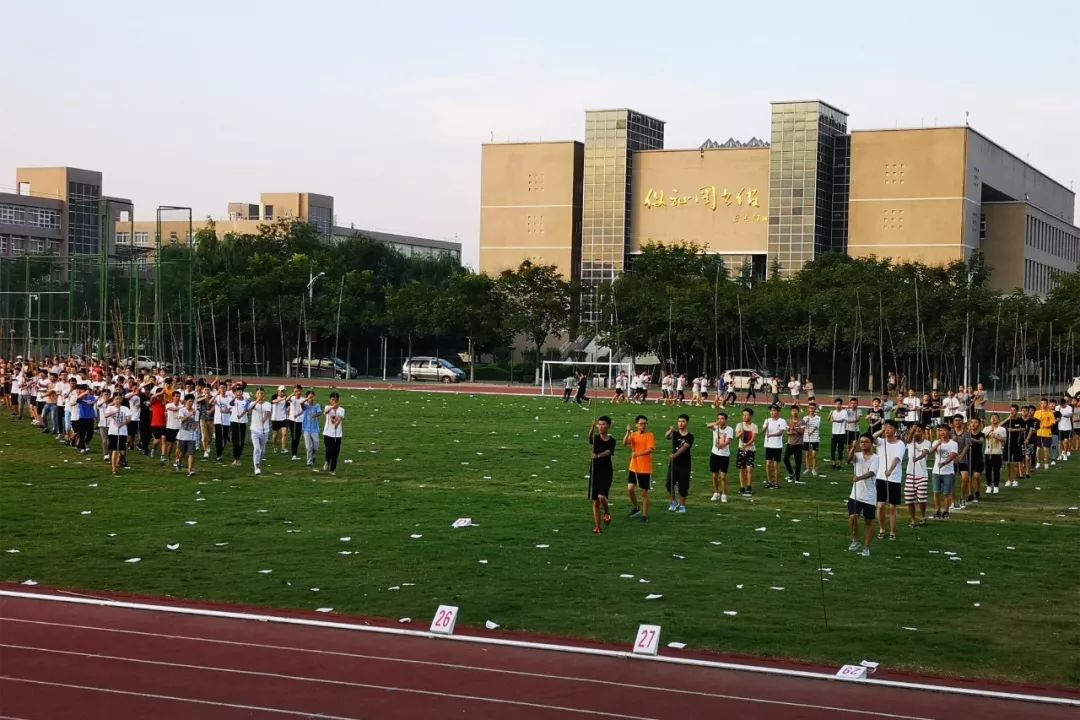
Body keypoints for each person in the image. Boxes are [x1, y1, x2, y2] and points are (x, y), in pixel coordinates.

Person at [847, 434, 879, 557]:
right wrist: (853, 448)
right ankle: (855, 540)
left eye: (866, 442)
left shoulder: (875, 458)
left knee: (868, 522)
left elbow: (871, 472)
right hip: (855, 494)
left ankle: (866, 547)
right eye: (861, 442)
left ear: (871, 443)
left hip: (869, 496)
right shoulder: (858, 456)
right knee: (852, 517)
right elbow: (849, 459)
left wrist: (859, 477)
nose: (863, 444)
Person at [873, 420, 906, 540]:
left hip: (894, 478)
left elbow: (897, 458)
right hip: (880, 477)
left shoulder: (900, 444)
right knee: (880, 505)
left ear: (895, 430)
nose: (887, 430)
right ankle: (882, 528)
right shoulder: (881, 442)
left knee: (892, 506)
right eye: (886, 428)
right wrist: (881, 430)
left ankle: (892, 531)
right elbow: (871, 438)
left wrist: (890, 470)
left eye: (890, 428)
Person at [623, 415, 655, 523]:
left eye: (645, 423)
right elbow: (625, 443)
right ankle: (636, 507)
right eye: (641, 424)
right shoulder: (633, 434)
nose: (643, 425)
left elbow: (650, 449)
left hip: (645, 468)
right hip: (634, 467)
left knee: (644, 493)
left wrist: (638, 454)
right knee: (630, 489)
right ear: (636, 425)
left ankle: (645, 515)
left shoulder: (649, 435)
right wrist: (627, 432)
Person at [587, 416, 616, 534]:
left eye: (603, 424)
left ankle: (607, 512)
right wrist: (592, 427)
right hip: (595, 471)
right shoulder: (596, 438)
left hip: (606, 472)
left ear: (608, 426)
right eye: (599, 424)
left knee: (601, 496)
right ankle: (597, 526)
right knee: (595, 501)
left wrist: (598, 456)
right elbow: (590, 439)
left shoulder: (611, 440)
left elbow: (609, 452)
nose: (601, 427)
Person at [664, 414, 694, 513]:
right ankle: (673, 501)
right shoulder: (675, 434)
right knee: (669, 484)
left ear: (687, 423)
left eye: (683, 421)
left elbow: (685, 447)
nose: (680, 423)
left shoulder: (690, 436)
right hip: (674, 464)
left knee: (683, 486)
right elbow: (667, 437)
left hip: (684, 464)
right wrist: (670, 431)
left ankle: (682, 505)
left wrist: (675, 455)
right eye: (679, 421)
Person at [904, 424, 931, 526]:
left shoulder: (927, 443)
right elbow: (908, 440)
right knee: (909, 499)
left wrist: (918, 458)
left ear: (923, 433)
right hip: (910, 473)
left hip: (922, 474)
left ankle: (923, 516)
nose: (916, 433)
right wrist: (912, 431)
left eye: (919, 431)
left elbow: (925, 453)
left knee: (921, 498)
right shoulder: (910, 443)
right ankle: (912, 519)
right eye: (915, 431)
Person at [930, 426, 959, 519]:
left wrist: (944, 463)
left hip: (948, 472)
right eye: (940, 430)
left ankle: (946, 511)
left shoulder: (953, 444)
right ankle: (938, 510)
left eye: (944, 430)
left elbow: (953, 455)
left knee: (947, 493)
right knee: (936, 492)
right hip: (936, 472)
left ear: (949, 432)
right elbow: (930, 452)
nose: (942, 432)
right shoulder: (936, 442)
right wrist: (937, 444)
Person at [707, 412, 733, 502]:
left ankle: (724, 494)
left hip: (724, 455)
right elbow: (708, 426)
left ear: (726, 420)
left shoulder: (729, 429)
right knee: (714, 476)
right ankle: (716, 493)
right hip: (715, 454)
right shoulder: (715, 427)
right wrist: (716, 423)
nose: (720, 420)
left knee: (723, 476)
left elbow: (729, 441)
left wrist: (722, 445)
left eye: (722, 418)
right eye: (719, 418)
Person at [103, 392, 130, 476]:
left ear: (121, 400)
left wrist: (122, 424)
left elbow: (129, 419)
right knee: (114, 450)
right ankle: (114, 468)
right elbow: (106, 415)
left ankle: (119, 462)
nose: (118, 400)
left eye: (119, 399)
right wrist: (114, 412)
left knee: (122, 451)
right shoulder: (110, 408)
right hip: (113, 431)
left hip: (122, 431)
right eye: (116, 399)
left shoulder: (125, 408)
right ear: (113, 400)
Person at [762, 404, 787, 490]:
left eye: (774, 410)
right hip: (768, 445)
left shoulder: (782, 421)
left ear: (778, 412)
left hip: (777, 446)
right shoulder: (767, 420)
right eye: (771, 411)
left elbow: (781, 432)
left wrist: (771, 435)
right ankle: (769, 481)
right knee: (768, 464)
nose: (772, 412)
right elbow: (763, 431)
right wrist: (766, 426)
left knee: (776, 465)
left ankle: (776, 482)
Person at [249, 387, 273, 476]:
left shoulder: (267, 404)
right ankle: (257, 467)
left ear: (264, 395)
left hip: (264, 431)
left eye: (262, 393)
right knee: (257, 449)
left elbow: (267, 412)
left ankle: (258, 462)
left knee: (262, 450)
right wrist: (257, 401)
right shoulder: (253, 403)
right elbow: (250, 409)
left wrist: (264, 418)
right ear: (256, 395)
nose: (260, 395)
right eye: (258, 393)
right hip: (254, 430)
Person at [735, 408, 758, 496]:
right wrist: (741, 433)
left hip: (750, 450)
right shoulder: (739, 425)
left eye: (746, 415)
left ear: (751, 416)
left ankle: (749, 486)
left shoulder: (754, 426)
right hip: (741, 449)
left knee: (750, 469)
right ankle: (742, 487)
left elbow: (753, 438)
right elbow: (737, 436)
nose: (744, 416)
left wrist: (746, 444)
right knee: (742, 469)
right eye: (743, 415)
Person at [951, 414, 971, 511]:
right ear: (953, 422)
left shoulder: (966, 433)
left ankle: (962, 497)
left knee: (965, 478)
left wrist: (961, 456)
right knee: (951, 480)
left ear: (962, 422)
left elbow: (967, 446)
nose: (957, 422)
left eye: (959, 420)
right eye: (956, 420)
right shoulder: (950, 432)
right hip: (952, 459)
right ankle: (953, 500)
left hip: (963, 459)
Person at [322, 391, 345, 476]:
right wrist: (332, 407)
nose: (334, 401)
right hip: (327, 433)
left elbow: (340, 418)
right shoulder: (327, 407)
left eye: (336, 400)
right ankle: (327, 461)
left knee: (336, 452)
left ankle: (332, 469)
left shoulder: (341, 409)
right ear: (330, 400)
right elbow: (325, 412)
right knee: (329, 450)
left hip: (338, 434)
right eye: (333, 400)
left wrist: (336, 424)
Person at [175, 393, 198, 477]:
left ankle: (190, 470)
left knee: (191, 454)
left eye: (192, 401)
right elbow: (182, 419)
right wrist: (190, 415)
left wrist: (195, 426)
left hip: (192, 436)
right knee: (182, 453)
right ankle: (179, 462)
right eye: (189, 401)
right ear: (185, 401)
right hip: (182, 435)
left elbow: (196, 424)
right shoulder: (182, 410)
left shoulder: (196, 412)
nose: (191, 403)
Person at [984, 413, 1005, 495]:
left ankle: (996, 486)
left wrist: (996, 436)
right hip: (988, 452)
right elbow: (983, 436)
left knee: (996, 470)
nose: (994, 418)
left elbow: (1004, 439)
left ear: (998, 419)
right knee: (988, 470)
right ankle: (989, 486)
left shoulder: (1002, 429)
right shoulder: (986, 428)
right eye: (992, 417)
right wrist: (990, 431)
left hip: (997, 452)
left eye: (995, 417)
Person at [301, 390, 323, 469]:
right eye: (310, 397)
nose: (312, 398)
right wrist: (307, 399)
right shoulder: (306, 406)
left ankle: (313, 456)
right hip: (306, 429)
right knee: (308, 447)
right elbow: (301, 404)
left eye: (313, 396)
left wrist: (315, 415)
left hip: (314, 429)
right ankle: (309, 461)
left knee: (315, 446)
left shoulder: (317, 406)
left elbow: (320, 412)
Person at [783, 405, 804, 483]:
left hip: (799, 444)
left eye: (796, 411)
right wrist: (791, 432)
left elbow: (802, 432)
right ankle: (791, 473)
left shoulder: (802, 421)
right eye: (793, 411)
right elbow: (787, 432)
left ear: (798, 412)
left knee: (798, 462)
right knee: (785, 459)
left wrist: (794, 429)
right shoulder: (787, 421)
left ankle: (797, 479)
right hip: (790, 443)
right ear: (791, 412)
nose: (794, 412)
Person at [230, 386, 251, 467]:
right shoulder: (234, 400)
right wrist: (235, 398)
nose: (238, 393)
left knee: (241, 440)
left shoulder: (246, 401)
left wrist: (241, 415)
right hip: (234, 422)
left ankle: (238, 457)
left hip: (243, 422)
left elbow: (246, 410)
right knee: (235, 440)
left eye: (240, 392)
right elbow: (231, 404)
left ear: (242, 393)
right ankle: (236, 457)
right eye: (237, 392)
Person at [1033, 398, 1056, 471]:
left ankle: (1046, 463)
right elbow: (1034, 422)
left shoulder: (1050, 413)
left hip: (1047, 433)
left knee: (1046, 449)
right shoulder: (1037, 412)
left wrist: (1046, 426)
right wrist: (1037, 422)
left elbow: (1053, 423)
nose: (1043, 405)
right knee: (1038, 449)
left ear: (1047, 404)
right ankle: (1038, 462)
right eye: (1042, 403)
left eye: (1044, 403)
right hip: (1039, 433)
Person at [212, 381, 232, 462]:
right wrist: (216, 395)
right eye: (221, 388)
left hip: (226, 421)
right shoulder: (217, 397)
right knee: (218, 438)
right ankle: (219, 454)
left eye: (224, 387)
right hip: (217, 420)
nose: (222, 389)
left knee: (224, 438)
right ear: (219, 389)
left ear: (226, 388)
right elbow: (210, 402)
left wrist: (226, 411)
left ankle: (221, 449)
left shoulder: (229, 398)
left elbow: (231, 409)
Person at [967, 417, 985, 504]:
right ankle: (970, 493)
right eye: (972, 422)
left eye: (975, 422)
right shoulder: (967, 434)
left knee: (976, 476)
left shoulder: (981, 434)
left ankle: (977, 490)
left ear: (979, 424)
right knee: (969, 477)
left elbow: (981, 441)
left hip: (978, 458)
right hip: (968, 458)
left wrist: (972, 440)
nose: (973, 424)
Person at [802, 401, 822, 477]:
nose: (812, 409)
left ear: (815, 409)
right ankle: (807, 468)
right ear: (808, 409)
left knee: (814, 454)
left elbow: (817, 426)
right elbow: (802, 427)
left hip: (815, 438)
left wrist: (811, 432)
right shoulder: (805, 418)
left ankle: (813, 469)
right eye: (810, 408)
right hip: (806, 438)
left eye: (813, 408)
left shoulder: (818, 418)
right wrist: (805, 422)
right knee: (807, 454)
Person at [829, 398, 848, 470]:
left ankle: (839, 463)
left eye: (839, 404)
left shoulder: (844, 412)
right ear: (834, 405)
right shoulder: (833, 412)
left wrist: (833, 420)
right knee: (833, 449)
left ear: (841, 405)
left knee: (840, 449)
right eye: (836, 404)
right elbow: (829, 420)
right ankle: (833, 463)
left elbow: (841, 420)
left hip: (842, 433)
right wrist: (830, 414)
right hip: (834, 433)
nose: (837, 405)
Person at [1057, 396, 1074, 462]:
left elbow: (1070, 415)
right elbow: (1056, 415)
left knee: (1065, 441)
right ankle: (1061, 453)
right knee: (1060, 442)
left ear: (1065, 403)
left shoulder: (1069, 408)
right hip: (1060, 427)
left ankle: (1065, 455)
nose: (1062, 406)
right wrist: (1059, 410)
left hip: (1067, 427)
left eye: (1063, 405)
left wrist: (1062, 414)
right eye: (1061, 405)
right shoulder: (1058, 407)